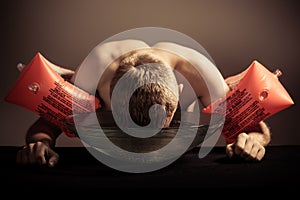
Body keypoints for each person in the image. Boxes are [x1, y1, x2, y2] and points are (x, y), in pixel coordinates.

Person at [16, 39, 271, 167]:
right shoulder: (89, 78)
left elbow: (256, 131)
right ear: (108, 97)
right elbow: (44, 128)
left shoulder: (206, 82)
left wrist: (253, 142)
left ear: (179, 89)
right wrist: (40, 145)